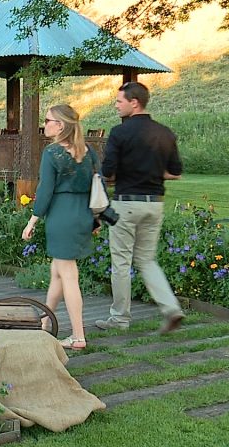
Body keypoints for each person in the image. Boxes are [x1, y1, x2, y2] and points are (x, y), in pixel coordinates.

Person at [97, 82, 185, 334]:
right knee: (147, 260)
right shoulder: (166, 133)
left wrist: (122, 173)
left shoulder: (119, 133)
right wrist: (152, 171)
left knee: (121, 262)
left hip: (126, 205)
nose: (116, 106)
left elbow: (107, 172)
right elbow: (175, 172)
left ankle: (120, 318)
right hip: (154, 205)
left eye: (119, 102)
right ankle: (171, 308)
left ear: (134, 102)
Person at [21, 105, 95, 349]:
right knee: (58, 272)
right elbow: (98, 185)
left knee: (69, 274)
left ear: (61, 125)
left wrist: (33, 220)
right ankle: (45, 322)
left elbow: (45, 190)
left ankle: (77, 335)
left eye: (48, 120)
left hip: (62, 216)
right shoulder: (87, 151)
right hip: (82, 214)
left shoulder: (52, 153)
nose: (45, 124)